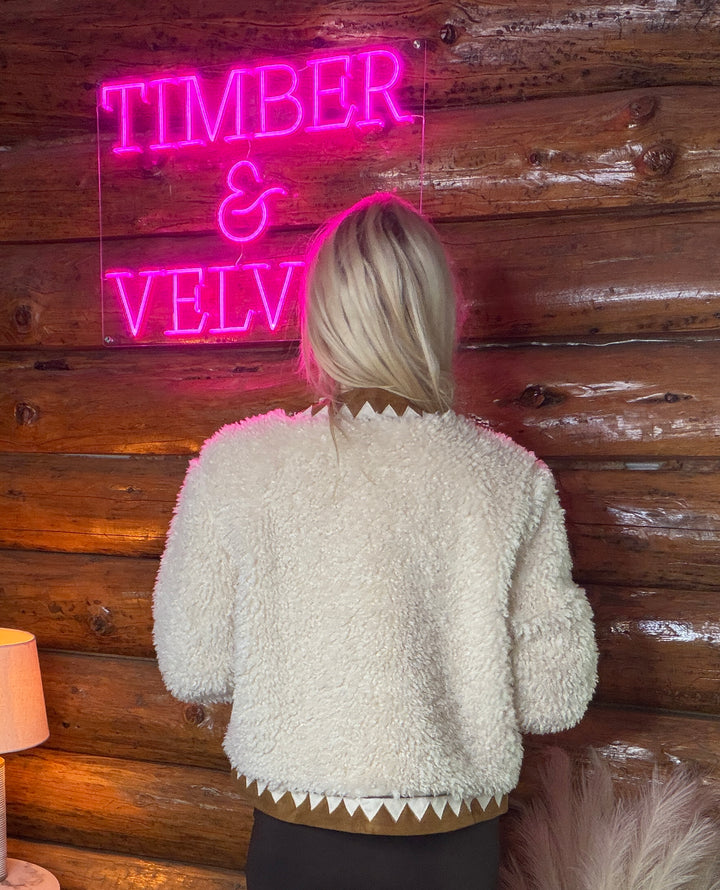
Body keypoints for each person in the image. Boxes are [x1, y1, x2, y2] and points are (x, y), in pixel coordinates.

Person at [152, 193, 598, 889]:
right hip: (453, 849)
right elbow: (553, 698)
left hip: (294, 841)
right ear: (440, 315)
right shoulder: (511, 478)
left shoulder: (236, 464)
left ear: (321, 319)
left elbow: (193, 668)